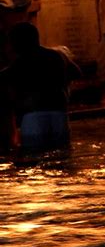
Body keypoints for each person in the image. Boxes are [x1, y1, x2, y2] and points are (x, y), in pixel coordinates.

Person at [3, 22, 73, 152]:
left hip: (32, 117)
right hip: (59, 114)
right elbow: (76, 72)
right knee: (62, 156)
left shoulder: (19, 64)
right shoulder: (56, 56)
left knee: (35, 156)